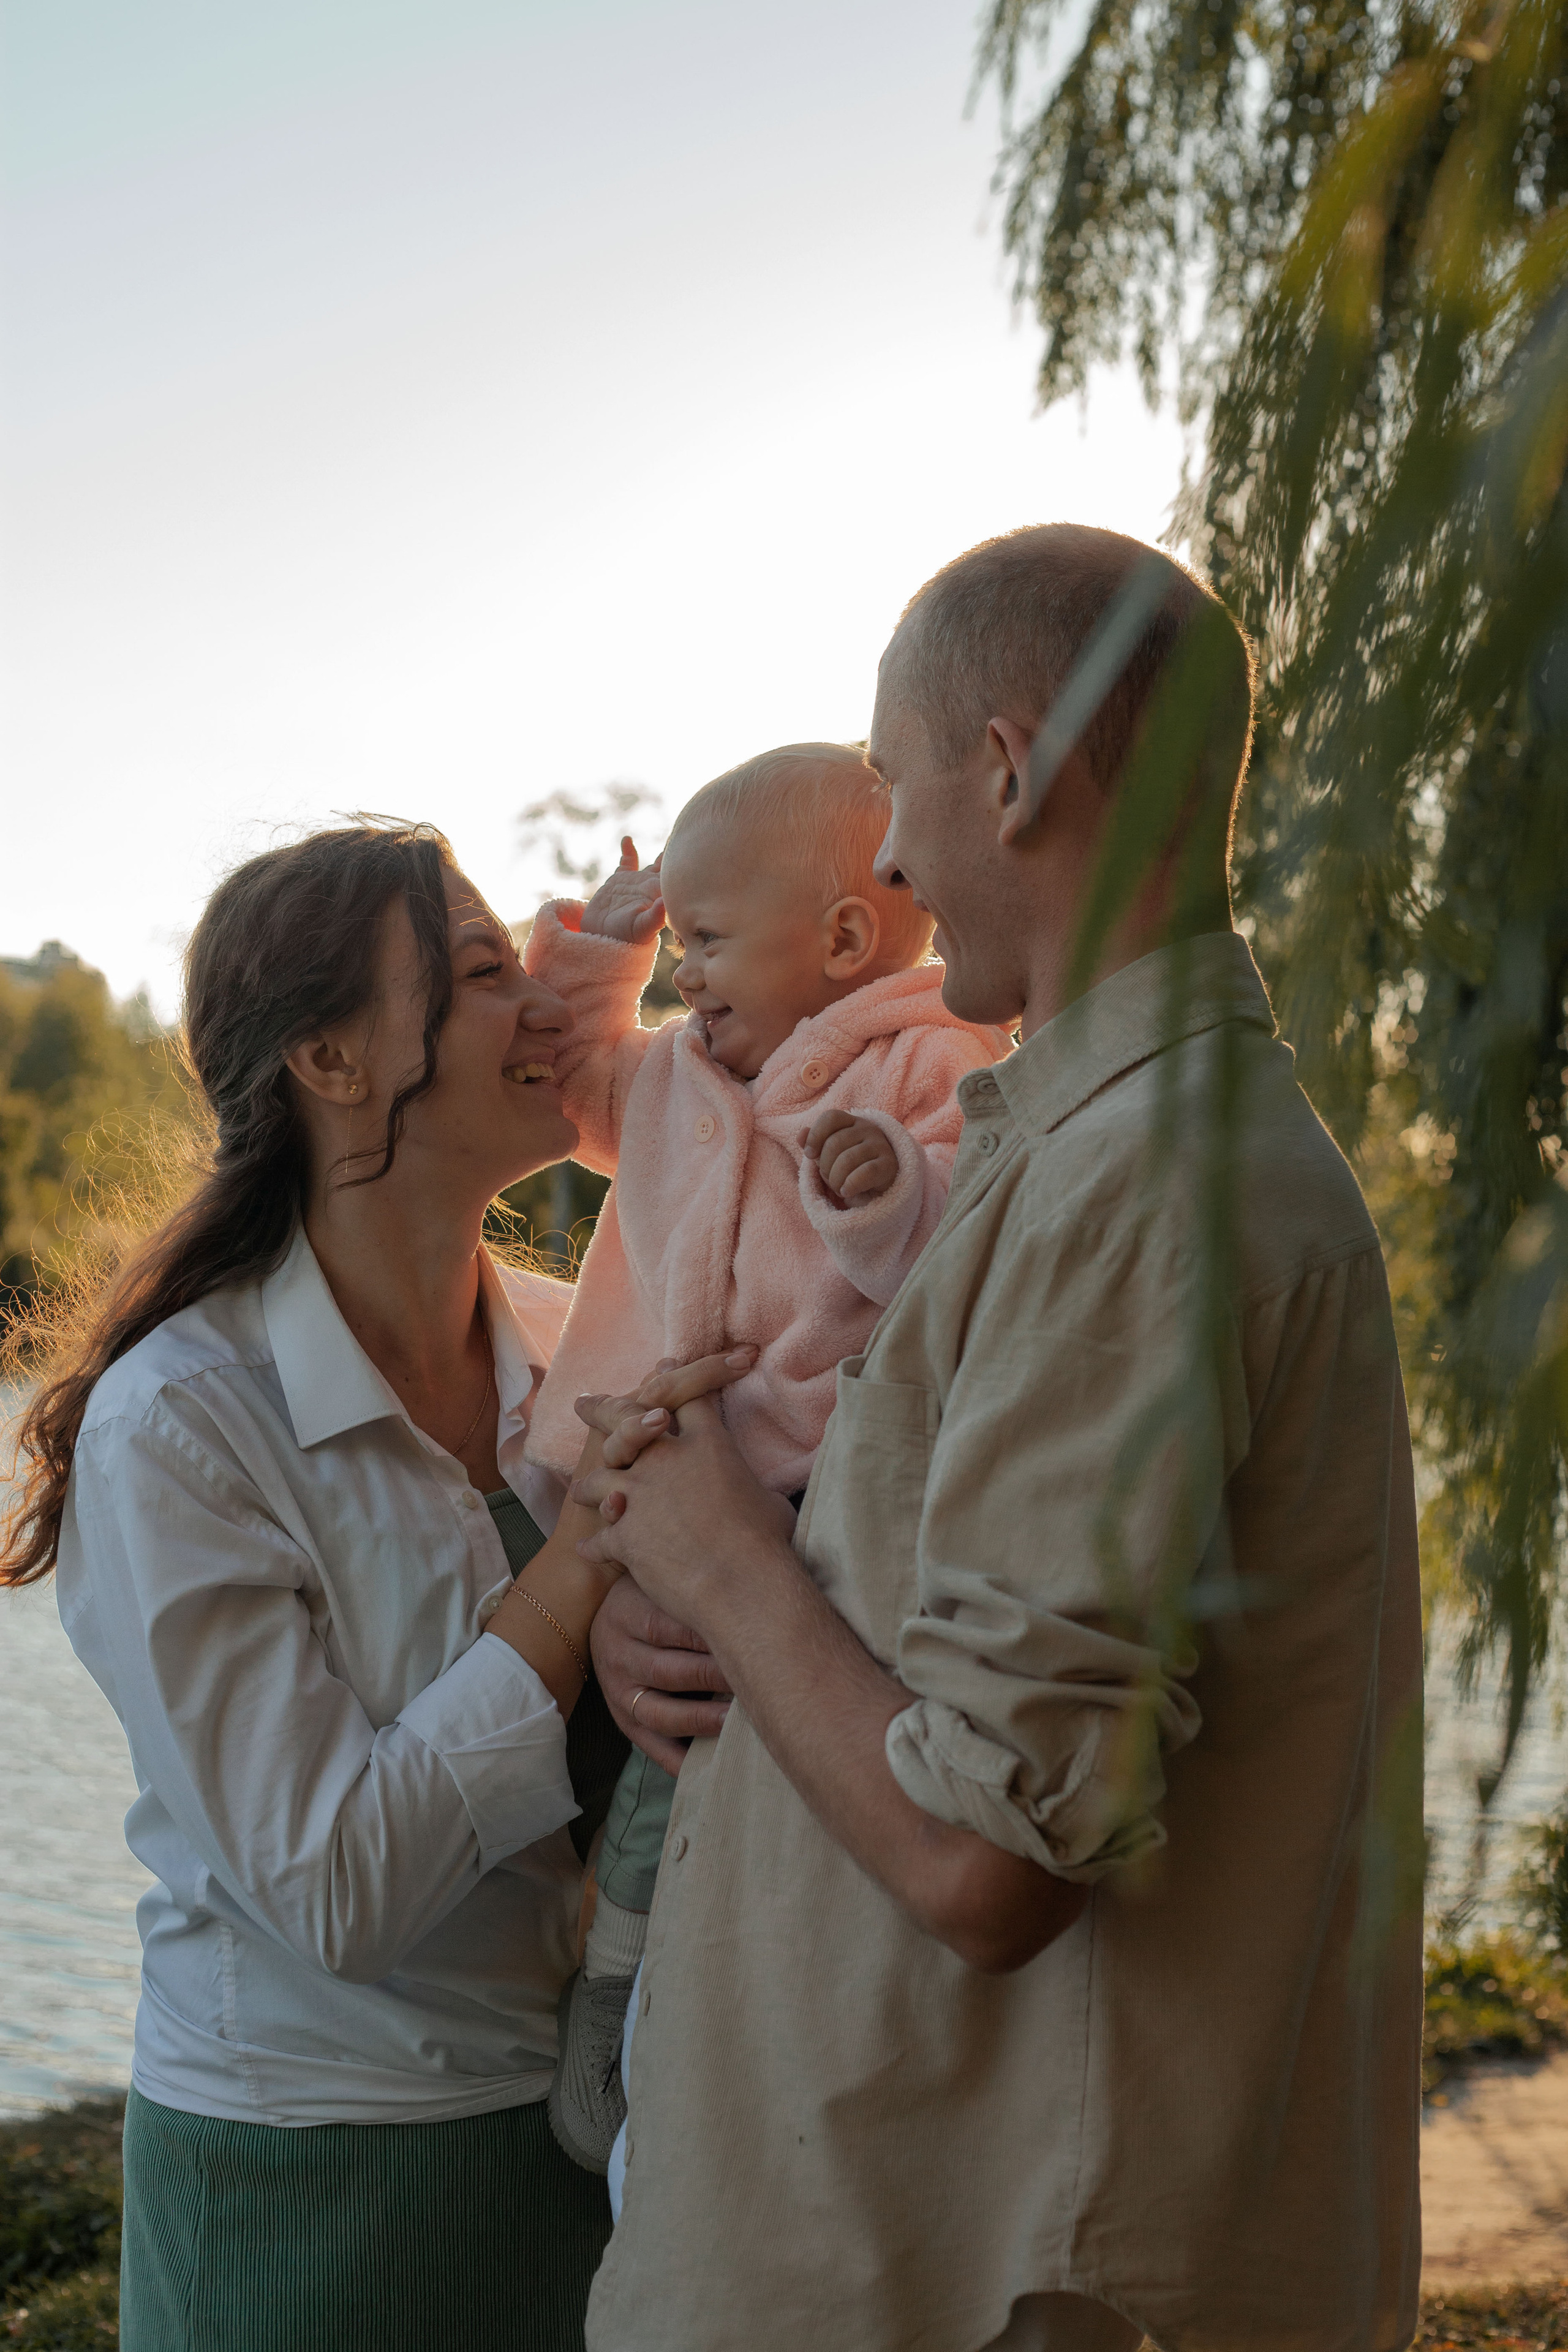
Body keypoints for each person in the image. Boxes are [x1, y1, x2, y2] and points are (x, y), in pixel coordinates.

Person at [575, 526, 1423, 2352]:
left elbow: (994, 1861)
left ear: (1010, 770)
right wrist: (711, 1610)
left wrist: (721, 1554)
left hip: (994, 2285)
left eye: (894, 782)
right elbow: (931, 1608)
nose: (883, 852)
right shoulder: (1059, 1156)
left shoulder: (1146, 1187)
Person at [0, 821, 751, 2352]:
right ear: (332, 1060)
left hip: (598, 2141)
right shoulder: (184, 1423)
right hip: (312, 2185)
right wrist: (594, 1561)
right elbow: (333, 1888)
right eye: (485, 973)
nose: (546, 1012)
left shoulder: (579, 1343)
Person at [519, 745, 1012, 2169]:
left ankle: (636, 2001)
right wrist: (601, 960)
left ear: (844, 938)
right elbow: (571, 1077)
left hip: (804, 1488)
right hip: (659, 1488)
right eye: (678, 952)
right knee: (644, 1744)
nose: (685, 984)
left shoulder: (933, 1058)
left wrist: (887, 1190)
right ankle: (611, 1983)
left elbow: (962, 1253)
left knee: (712, 1759)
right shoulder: (678, 1077)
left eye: (706, 944)